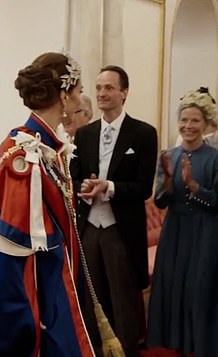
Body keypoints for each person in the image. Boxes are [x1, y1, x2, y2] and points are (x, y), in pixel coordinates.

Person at [0, 52, 94, 356]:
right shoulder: (25, 156)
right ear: (63, 96)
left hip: (56, 278)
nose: (80, 99)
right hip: (40, 289)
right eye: (78, 91)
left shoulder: (47, 147)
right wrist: (31, 316)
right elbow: (16, 249)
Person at [70, 65, 158, 357]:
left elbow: (144, 188)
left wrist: (107, 186)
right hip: (90, 228)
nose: (102, 94)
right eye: (98, 88)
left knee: (123, 302)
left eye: (108, 88)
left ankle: (126, 352)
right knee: (91, 298)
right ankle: (94, 351)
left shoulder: (143, 134)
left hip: (120, 228)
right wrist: (83, 189)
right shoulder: (84, 134)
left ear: (124, 92)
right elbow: (76, 178)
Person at [147, 87, 218, 357]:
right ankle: (177, 345)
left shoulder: (214, 158)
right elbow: (161, 202)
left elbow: (216, 203)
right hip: (175, 231)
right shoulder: (168, 156)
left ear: (206, 124)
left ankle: (200, 347)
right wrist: (166, 183)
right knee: (173, 288)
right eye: (184, 120)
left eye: (195, 121)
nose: (188, 126)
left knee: (198, 290)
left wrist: (194, 186)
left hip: (205, 232)